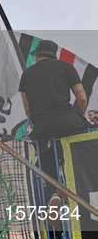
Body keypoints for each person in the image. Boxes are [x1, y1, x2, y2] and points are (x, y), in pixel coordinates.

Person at [19, 39, 90, 200]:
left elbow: (27, 108)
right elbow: (82, 99)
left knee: (46, 157)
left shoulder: (26, 74)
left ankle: (54, 193)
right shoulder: (66, 67)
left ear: (37, 56)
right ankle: (83, 189)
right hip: (69, 122)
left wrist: (40, 124)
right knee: (82, 151)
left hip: (43, 128)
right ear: (53, 55)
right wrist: (78, 116)